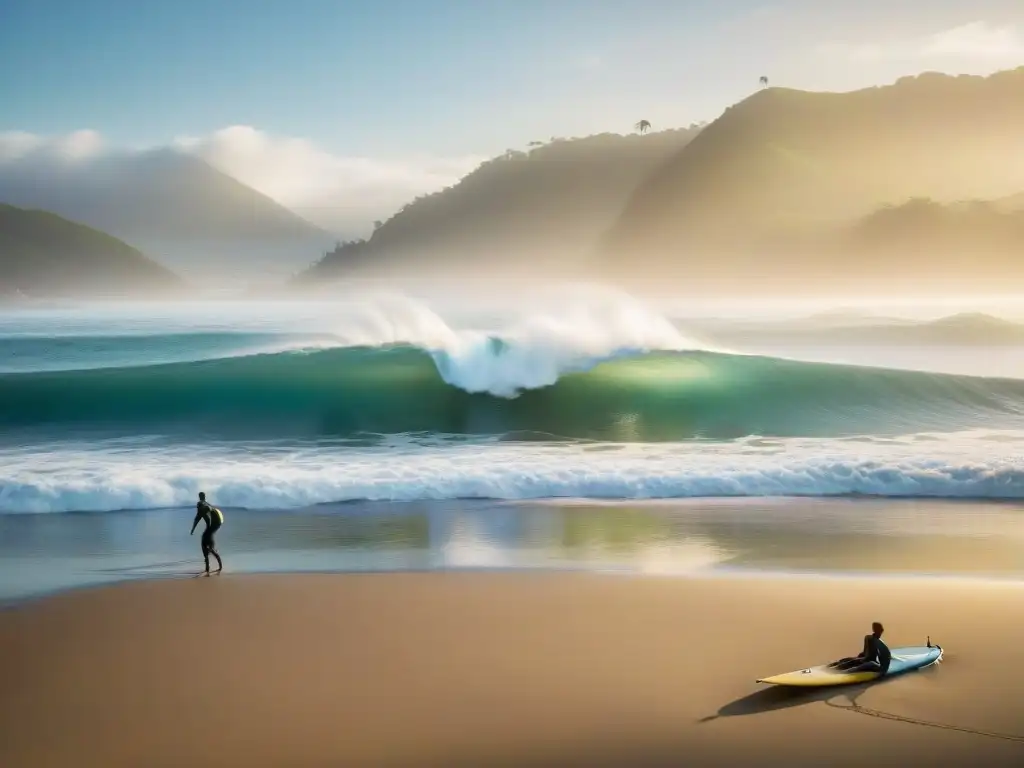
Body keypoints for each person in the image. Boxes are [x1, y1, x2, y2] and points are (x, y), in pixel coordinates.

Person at [190, 491, 224, 574]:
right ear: (204, 497)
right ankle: (212, 566)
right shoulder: (205, 505)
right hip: (217, 523)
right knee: (206, 542)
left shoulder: (203, 506)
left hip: (215, 523)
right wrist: (193, 529)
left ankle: (210, 567)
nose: (197, 508)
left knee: (206, 545)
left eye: (198, 507)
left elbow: (199, 518)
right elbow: (200, 518)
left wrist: (193, 529)